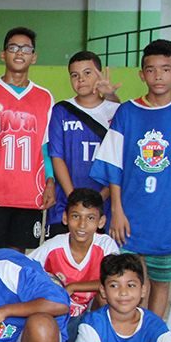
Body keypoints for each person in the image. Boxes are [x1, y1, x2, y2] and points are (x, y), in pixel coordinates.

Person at [91, 39, 171, 317]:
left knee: (161, 283)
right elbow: (113, 168)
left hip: (170, 218)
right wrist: (117, 212)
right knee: (126, 280)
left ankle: (153, 332)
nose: (158, 75)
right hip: (131, 217)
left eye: (165, 68)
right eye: (151, 69)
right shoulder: (127, 113)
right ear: (142, 74)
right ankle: (127, 334)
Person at [0, 27, 56, 252]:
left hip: (29, 195)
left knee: (18, 259)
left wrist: (51, 181)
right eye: (13, 47)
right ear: (3, 54)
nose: (19, 53)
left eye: (26, 49)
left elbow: (45, 146)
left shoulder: (44, 97)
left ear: (34, 56)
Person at [28, 188, 119, 342]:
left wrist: (74, 286)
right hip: (61, 324)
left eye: (90, 218)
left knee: (109, 295)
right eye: (76, 217)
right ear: (65, 218)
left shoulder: (105, 245)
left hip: (90, 317)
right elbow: (25, 270)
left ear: (101, 222)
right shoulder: (53, 247)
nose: (82, 225)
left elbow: (115, 280)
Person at [47, 51, 120, 236]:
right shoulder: (61, 110)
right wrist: (73, 198)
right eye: (75, 75)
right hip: (65, 203)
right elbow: (57, 156)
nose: (81, 79)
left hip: (104, 204)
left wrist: (99, 198)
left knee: (101, 261)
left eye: (88, 73)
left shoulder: (117, 112)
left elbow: (119, 163)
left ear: (99, 74)